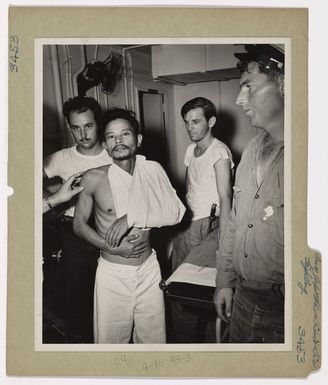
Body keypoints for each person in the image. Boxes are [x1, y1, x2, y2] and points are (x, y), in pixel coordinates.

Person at [73, 108, 185, 344]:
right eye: (111, 136)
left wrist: (130, 217)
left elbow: (175, 212)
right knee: (111, 342)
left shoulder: (153, 171)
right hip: (113, 274)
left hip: (149, 268)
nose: (118, 141)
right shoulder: (93, 178)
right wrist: (111, 247)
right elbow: (79, 224)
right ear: (105, 144)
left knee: (153, 340)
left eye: (125, 134)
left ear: (138, 139)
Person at [214, 44, 285, 343]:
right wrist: (224, 281)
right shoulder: (253, 148)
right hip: (243, 298)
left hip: (284, 310)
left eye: (249, 87)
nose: (238, 98)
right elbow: (233, 220)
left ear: (283, 83)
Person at [43, 96, 112, 343]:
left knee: (108, 292)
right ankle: (80, 345)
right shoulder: (60, 157)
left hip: (107, 229)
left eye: (88, 126)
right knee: (75, 293)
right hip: (72, 232)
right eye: (75, 127)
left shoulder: (114, 152)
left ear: (98, 124)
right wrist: (53, 197)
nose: (82, 134)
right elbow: (20, 178)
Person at [172, 97, 233, 271]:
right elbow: (188, 185)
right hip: (185, 219)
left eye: (196, 122)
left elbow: (226, 197)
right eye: (187, 122)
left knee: (194, 272)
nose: (190, 128)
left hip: (204, 222)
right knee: (177, 268)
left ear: (211, 121)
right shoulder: (191, 149)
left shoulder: (219, 152)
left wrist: (225, 236)